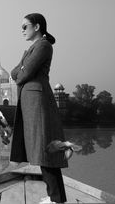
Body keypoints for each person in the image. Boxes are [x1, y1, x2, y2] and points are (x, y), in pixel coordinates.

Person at [10, 13, 68, 203]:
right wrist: (22, 70)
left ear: (37, 27)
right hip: (31, 104)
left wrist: (22, 71)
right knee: (41, 150)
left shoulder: (43, 46)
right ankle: (55, 197)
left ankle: (56, 199)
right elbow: (14, 72)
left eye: (24, 27)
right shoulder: (32, 48)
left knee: (45, 149)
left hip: (38, 104)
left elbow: (22, 75)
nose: (21, 31)